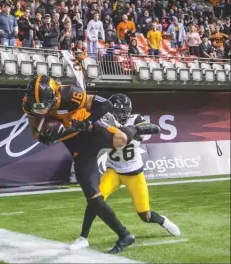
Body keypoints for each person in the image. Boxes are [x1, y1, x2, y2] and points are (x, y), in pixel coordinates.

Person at [22, 75, 160, 254]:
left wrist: (86, 122)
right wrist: (46, 135)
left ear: (56, 94)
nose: (42, 110)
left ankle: (137, 128)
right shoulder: (29, 105)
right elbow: (36, 132)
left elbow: (105, 105)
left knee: (120, 139)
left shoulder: (71, 94)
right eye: (38, 106)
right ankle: (124, 235)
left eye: (45, 105)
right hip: (76, 146)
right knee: (93, 198)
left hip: (90, 131)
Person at [70, 94, 181, 250]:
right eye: (115, 111)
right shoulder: (105, 119)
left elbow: (154, 128)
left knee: (145, 215)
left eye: (121, 112)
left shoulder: (135, 119)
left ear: (128, 111)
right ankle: (83, 237)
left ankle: (163, 221)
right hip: (113, 170)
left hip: (133, 172)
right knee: (95, 200)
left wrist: (127, 130)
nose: (118, 115)